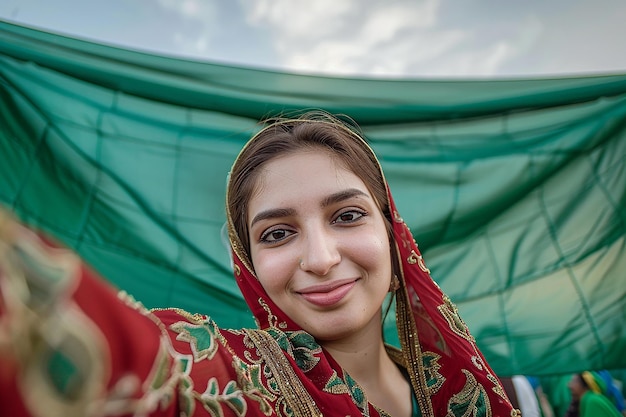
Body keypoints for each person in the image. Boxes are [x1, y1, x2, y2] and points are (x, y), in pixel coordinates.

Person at [0, 112, 519, 417]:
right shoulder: (232, 379)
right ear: (248, 264)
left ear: (391, 231)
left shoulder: (462, 383)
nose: (320, 258)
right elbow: (117, 357)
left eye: (347, 215)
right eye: (277, 233)